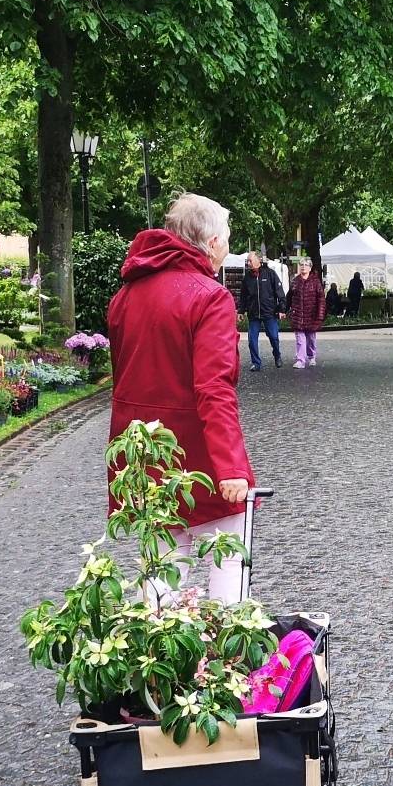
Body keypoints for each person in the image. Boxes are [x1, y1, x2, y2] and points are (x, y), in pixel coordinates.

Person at [106, 193, 254, 603]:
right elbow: (214, 387)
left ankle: (160, 661)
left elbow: (124, 380)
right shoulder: (210, 296)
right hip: (197, 455)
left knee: (161, 576)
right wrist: (231, 467)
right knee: (228, 553)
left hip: (142, 453)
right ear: (210, 243)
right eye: (225, 239)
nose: (227, 248)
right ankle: (227, 650)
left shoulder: (126, 296)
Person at [239, 251, 285, 371]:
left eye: (250, 260)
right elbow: (243, 296)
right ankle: (256, 363)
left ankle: (277, 355)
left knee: (274, 337)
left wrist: (281, 308)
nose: (248, 263)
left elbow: (279, 292)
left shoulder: (270, 274)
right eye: (247, 261)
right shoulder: (247, 278)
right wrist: (241, 311)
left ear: (258, 260)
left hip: (269, 312)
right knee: (252, 340)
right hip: (253, 314)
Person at [287, 256, 327, 367]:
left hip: (311, 316)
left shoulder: (315, 282)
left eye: (305, 265)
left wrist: (320, 315)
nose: (303, 267)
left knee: (311, 339)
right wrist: (284, 310)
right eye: (301, 265)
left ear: (310, 268)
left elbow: (321, 299)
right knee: (300, 339)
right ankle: (300, 360)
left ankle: (311, 356)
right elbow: (289, 297)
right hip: (298, 315)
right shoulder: (295, 282)